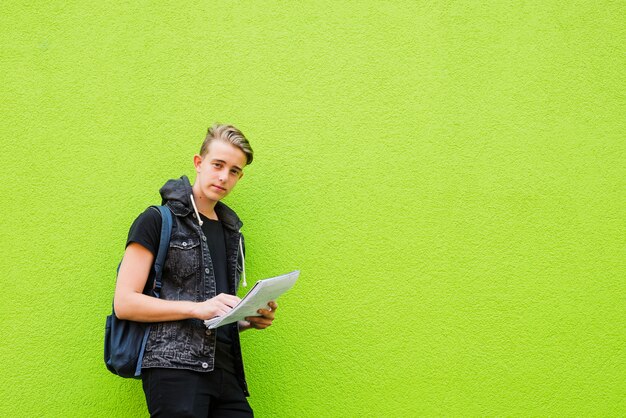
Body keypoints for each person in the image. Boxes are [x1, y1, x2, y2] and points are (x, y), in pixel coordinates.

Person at [114, 124, 276, 417]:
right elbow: (125, 303)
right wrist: (199, 308)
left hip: (226, 371)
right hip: (174, 370)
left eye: (235, 171)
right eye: (218, 165)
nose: (224, 176)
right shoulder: (155, 221)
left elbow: (212, 315)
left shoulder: (232, 234)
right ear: (199, 163)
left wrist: (245, 319)